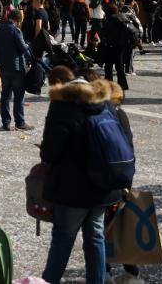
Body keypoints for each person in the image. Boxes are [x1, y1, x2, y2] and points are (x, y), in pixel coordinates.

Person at [37, 76, 132, 284]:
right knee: (96, 237)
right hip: (103, 187)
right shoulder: (105, 105)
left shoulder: (61, 107)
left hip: (72, 190)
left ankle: (48, 281)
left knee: (63, 240)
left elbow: (50, 153)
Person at [0, 8, 32, 131]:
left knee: (5, 95)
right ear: (18, 20)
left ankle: (6, 122)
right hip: (16, 67)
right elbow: (22, 48)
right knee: (19, 96)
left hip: (3, 66)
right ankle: (20, 122)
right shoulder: (16, 30)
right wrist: (29, 53)